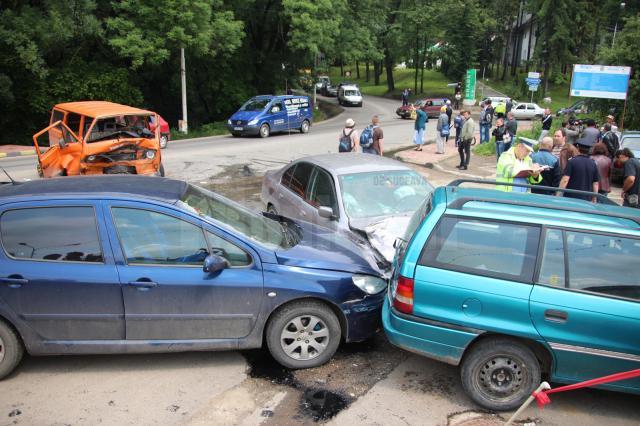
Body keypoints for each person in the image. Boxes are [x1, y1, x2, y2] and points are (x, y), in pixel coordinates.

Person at [558, 138, 599, 202]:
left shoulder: (572, 162)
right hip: (586, 199)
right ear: (589, 150)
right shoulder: (593, 164)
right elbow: (595, 183)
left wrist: (558, 194)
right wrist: (594, 198)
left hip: (570, 198)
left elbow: (565, 180)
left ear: (578, 148)